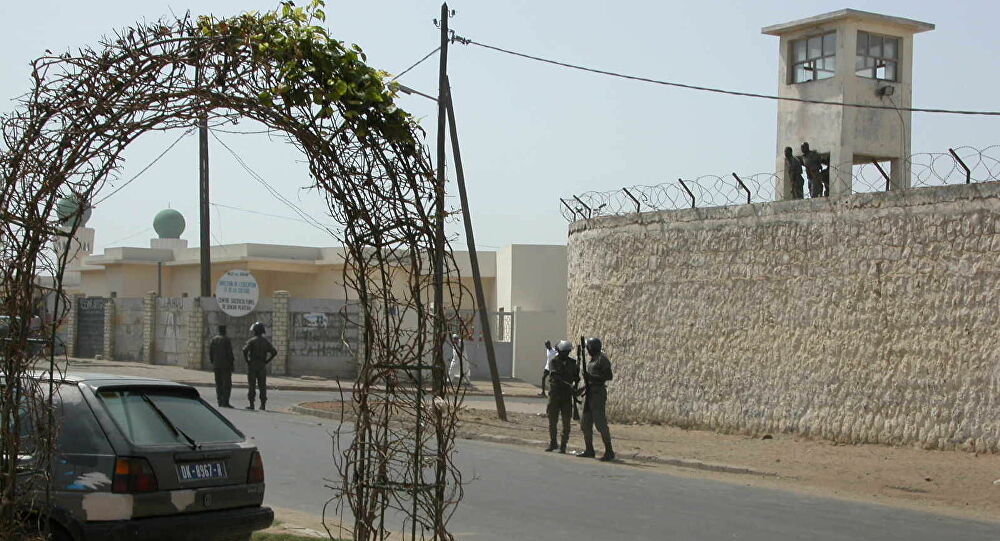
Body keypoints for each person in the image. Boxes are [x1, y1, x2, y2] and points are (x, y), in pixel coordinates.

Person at [576, 337, 615, 461]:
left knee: (600, 423)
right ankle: (589, 449)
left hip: (597, 394)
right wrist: (581, 389)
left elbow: (608, 376)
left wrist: (591, 376)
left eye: (588, 347)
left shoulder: (601, 359)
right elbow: (589, 382)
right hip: (589, 393)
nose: (587, 349)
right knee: (585, 423)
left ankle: (609, 451)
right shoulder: (592, 360)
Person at [545, 340, 579, 453]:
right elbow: (555, 376)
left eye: (567, 351)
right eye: (563, 351)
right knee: (552, 420)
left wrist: (576, 384)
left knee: (566, 422)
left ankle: (563, 445)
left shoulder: (573, 363)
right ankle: (553, 442)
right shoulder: (553, 362)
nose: (565, 353)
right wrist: (570, 385)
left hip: (566, 396)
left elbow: (576, 377)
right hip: (555, 395)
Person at [242, 321, 277, 410]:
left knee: (252, 385)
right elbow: (274, 352)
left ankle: (251, 404)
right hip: (262, 366)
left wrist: (247, 360)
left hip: (253, 365)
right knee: (262, 385)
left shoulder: (252, 341)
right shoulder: (265, 341)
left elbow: (244, 350)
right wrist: (266, 361)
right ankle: (263, 404)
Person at [209, 325, 235, 408]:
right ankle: (225, 402)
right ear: (224, 331)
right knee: (227, 384)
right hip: (226, 366)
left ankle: (219, 401)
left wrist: (213, 362)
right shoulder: (226, 340)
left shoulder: (214, 339)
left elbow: (211, 352)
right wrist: (232, 364)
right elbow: (229, 354)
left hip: (216, 365)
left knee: (218, 383)